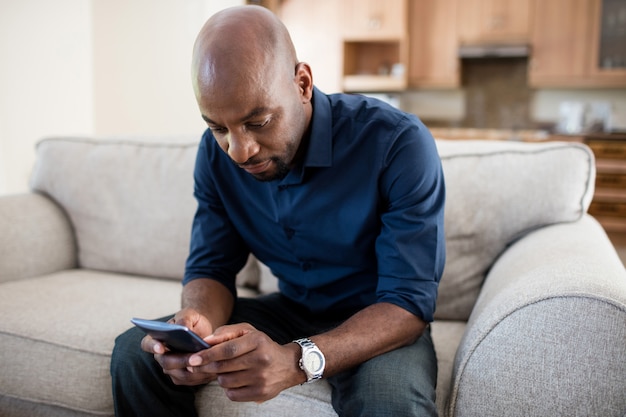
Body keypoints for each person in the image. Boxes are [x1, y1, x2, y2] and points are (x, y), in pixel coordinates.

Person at [110, 5, 445, 417]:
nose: (239, 150)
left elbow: (407, 303)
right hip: (288, 309)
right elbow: (212, 267)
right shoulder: (215, 157)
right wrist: (195, 323)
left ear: (302, 83)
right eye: (218, 128)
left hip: (377, 318)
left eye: (259, 121)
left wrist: (296, 360)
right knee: (136, 354)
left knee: (390, 403)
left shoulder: (396, 143)